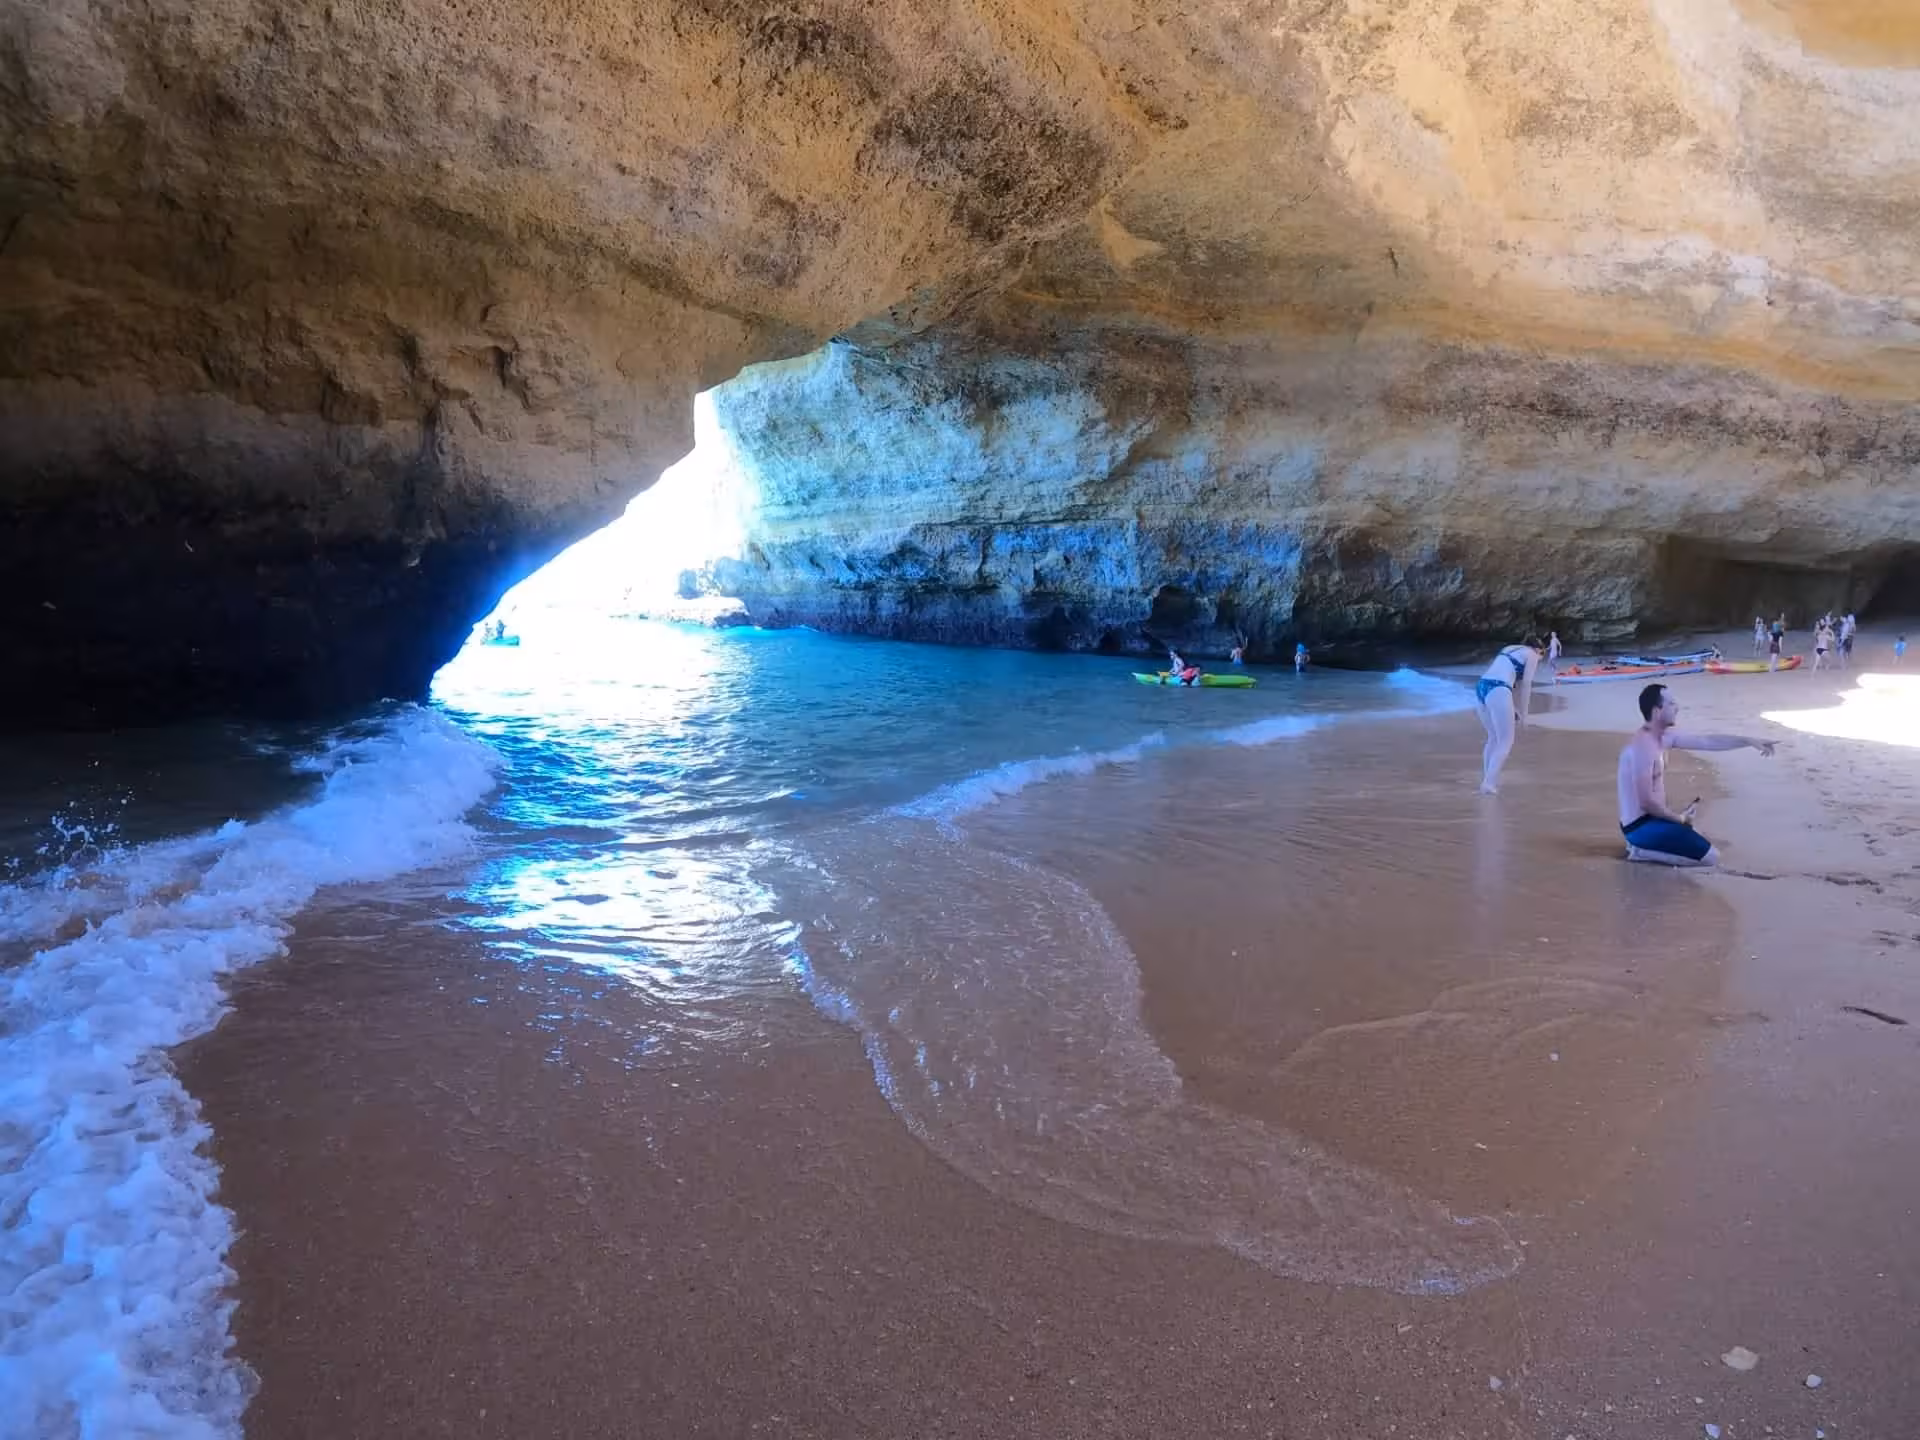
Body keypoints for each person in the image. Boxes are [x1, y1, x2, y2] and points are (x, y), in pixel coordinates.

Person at [1618, 683, 1775, 866]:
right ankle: (1640, 852)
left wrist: (1748, 740)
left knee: (1696, 834)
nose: (1677, 707)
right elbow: (1646, 802)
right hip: (1639, 827)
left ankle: (1653, 843)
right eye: (1671, 704)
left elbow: (1707, 741)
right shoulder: (1643, 746)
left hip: (1653, 818)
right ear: (1657, 711)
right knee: (1711, 858)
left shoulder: (1663, 737)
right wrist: (1680, 818)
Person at [1473, 637, 1543, 795]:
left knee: (1493, 737)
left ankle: (1488, 778)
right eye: (1542, 655)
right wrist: (1525, 715)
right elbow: (1526, 685)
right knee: (1506, 741)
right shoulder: (1532, 655)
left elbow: (1511, 683)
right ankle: (1489, 784)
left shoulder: (1510, 648)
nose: (1540, 659)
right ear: (1538, 650)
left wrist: (1515, 708)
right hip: (1499, 688)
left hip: (1482, 686)